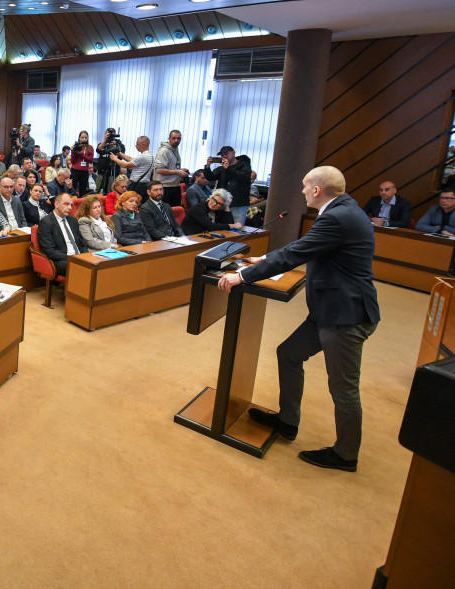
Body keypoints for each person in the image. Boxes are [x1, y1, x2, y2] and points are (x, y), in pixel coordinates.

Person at [218, 166, 380, 472]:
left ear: (317, 190)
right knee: (289, 354)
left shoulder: (336, 216)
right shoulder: (343, 208)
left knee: (343, 388)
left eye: (306, 187)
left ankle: (345, 455)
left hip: (346, 315)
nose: (303, 191)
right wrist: (266, 258)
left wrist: (244, 275)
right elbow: (304, 247)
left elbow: (298, 253)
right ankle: (287, 421)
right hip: (329, 309)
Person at [37, 192, 90, 275]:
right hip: (61, 260)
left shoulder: (73, 220)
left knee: (97, 262)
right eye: (66, 204)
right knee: (78, 267)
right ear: (56, 204)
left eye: (71, 205)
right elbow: (49, 250)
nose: (69, 208)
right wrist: (72, 258)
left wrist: (86, 255)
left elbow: (81, 243)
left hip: (78, 257)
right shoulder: (46, 222)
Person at [205, 146, 252, 224]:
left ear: (233, 153)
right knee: (221, 227)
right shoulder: (222, 168)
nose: (224, 156)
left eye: (226, 153)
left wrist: (228, 169)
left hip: (238, 203)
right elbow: (210, 178)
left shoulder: (244, 165)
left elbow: (244, 178)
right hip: (222, 203)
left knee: (237, 228)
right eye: (222, 155)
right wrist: (207, 166)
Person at [109, 135, 154, 201]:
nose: (136, 146)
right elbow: (131, 159)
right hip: (143, 185)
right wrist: (119, 153)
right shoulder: (149, 155)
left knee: (134, 203)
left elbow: (125, 165)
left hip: (137, 186)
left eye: (137, 144)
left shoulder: (144, 156)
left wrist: (114, 158)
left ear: (144, 145)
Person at [152, 130, 189, 206]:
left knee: (174, 211)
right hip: (165, 186)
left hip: (175, 185)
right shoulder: (164, 151)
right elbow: (159, 170)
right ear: (169, 138)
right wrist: (177, 172)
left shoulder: (175, 149)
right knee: (165, 212)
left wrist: (180, 170)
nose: (176, 140)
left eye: (178, 138)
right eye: (174, 138)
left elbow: (171, 167)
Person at [70, 131, 94, 196]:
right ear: (79, 138)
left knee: (83, 189)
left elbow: (90, 159)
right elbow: (73, 161)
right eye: (82, 137)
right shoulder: (75, 146)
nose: (84, 139)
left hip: (84, 171)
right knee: (73, 188)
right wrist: (73, 152)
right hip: (75, 169)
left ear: (87, 138)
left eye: (85, 137)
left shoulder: (90, 147)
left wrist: (82, 154)